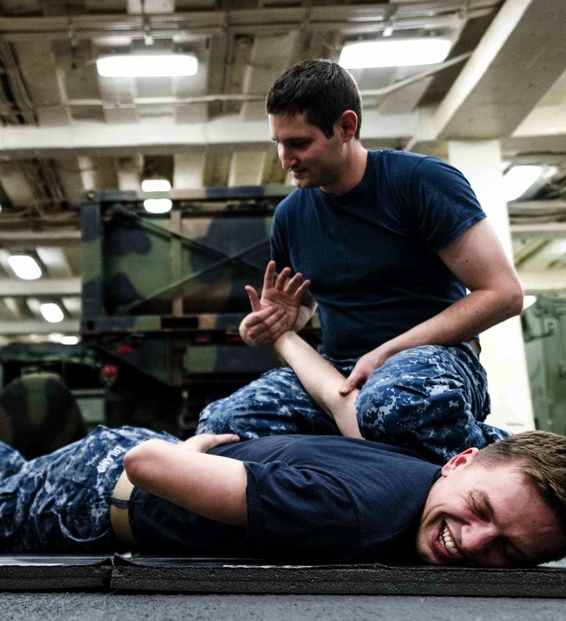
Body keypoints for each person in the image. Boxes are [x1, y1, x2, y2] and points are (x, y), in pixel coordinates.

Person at [197, 59, 525, 464]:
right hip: (341, 373)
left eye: (299, 143)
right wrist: (280, 322)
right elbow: (303, 307)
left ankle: (497, 460)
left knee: (391, 405)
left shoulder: (419, 181)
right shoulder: (291, 216)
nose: (285, 159)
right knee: (221, 426)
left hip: (432, 362)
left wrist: (387, 352)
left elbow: (505, 293)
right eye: (278, 143)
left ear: (346, 127)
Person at [0, 393, 566, 566]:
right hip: (99, 489)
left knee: (14, 478)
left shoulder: (426, 474)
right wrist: (187, 456)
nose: (472, 540)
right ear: (463, 460)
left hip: (130, 460)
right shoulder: (354, 513)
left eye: (508, 549)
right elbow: (149, 467)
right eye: (482, 508)